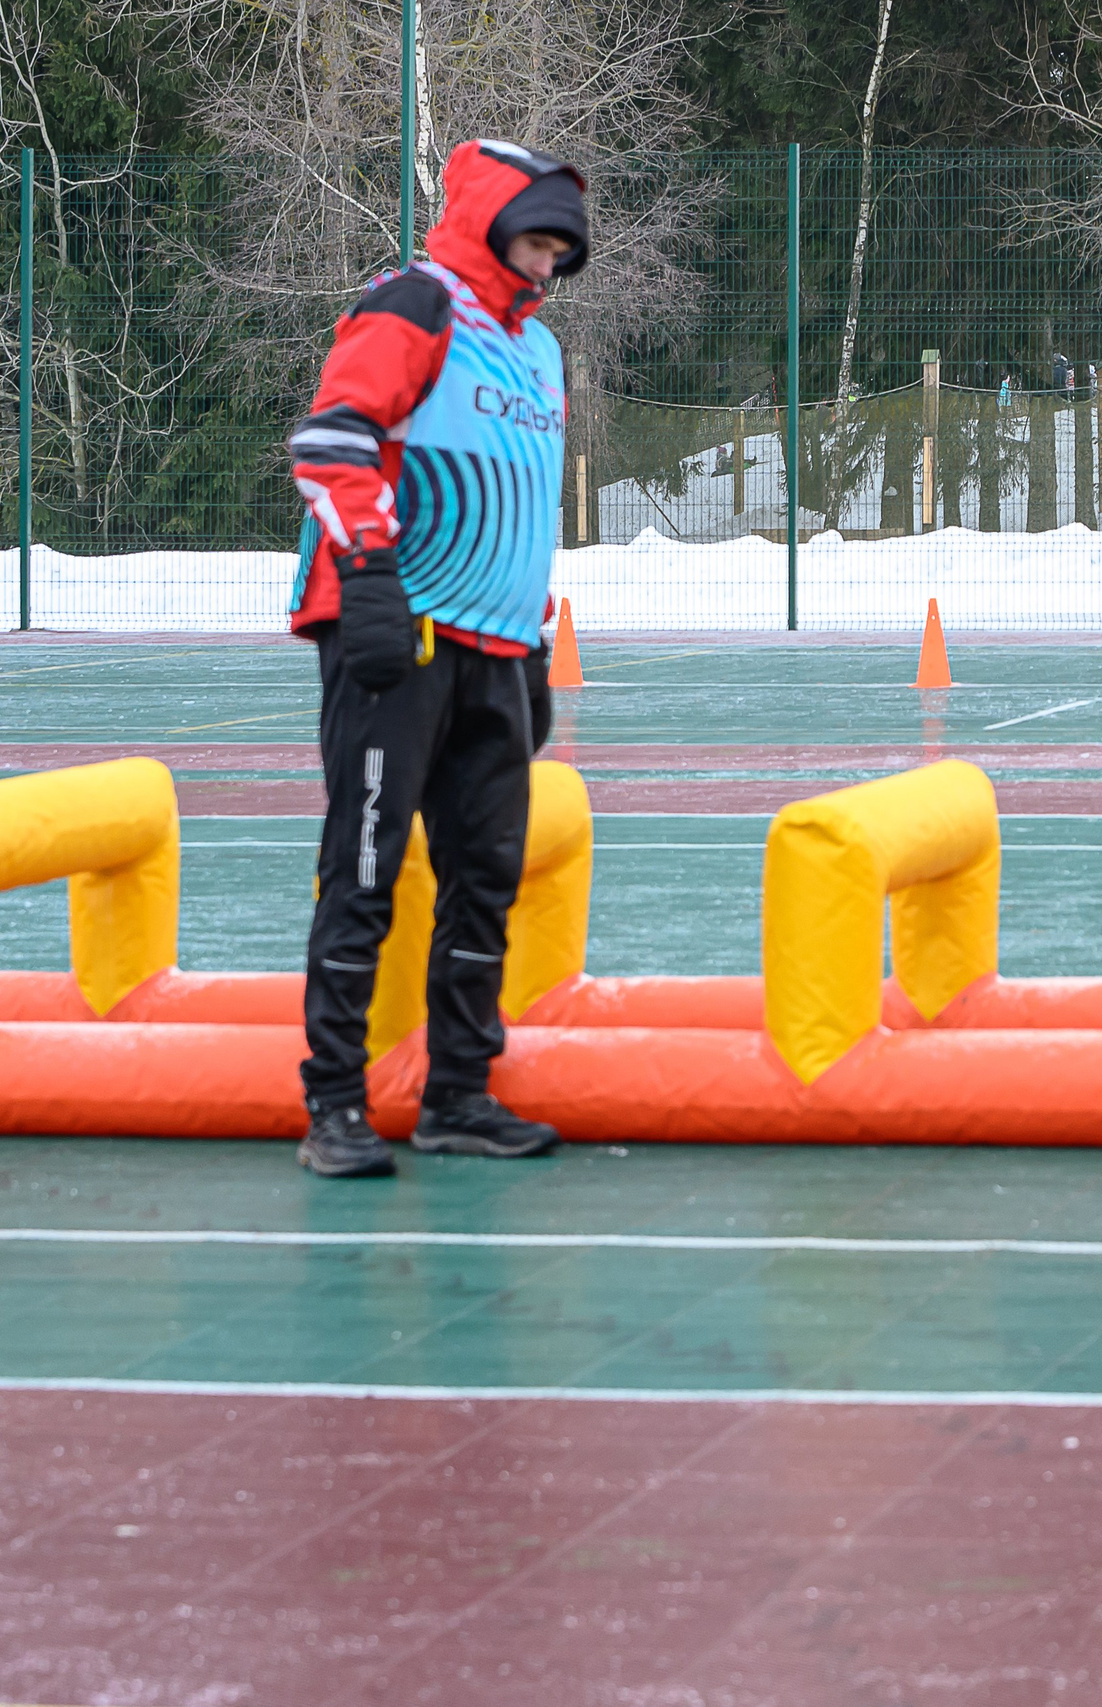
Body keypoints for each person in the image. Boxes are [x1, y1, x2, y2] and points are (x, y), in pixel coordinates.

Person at [283, 139, 590, 1179]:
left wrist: (532, 639)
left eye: (559, 249)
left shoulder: (539, 352)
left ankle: (458, 1094)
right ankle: (334, 1105)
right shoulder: (415, 305)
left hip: (495, 649)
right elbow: (331, 442)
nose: (547, 264)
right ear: (491, 227)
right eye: (535, 241)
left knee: (486, 875)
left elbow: (522, 503)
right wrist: (368, 581)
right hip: (398, 634)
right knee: (365, 869)